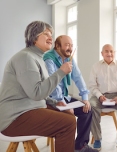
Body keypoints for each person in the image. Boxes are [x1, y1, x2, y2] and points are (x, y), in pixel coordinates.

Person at [0, 21, 76, 152]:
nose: (50, 37)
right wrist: (61, 72)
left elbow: (39, 91)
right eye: (46, 34)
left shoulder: (37, 57)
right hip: (14, 118)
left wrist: (55, 102)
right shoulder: (25, 57)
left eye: (51, 34)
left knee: (69, 117)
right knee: (68, 124)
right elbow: (36, 93)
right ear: (34, 37)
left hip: (29, 108)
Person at [43, 35, 97, 152]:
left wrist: (85, 98)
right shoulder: (49, 59)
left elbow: (78, 77)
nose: (70, 48)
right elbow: (53, 84)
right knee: (68, 116)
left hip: (64, 97)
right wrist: (62, 102)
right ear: (57, 46)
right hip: (51, 99)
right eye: (67, 45)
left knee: (87, 110)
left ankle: (80, 146)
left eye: (71, 45)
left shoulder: (69, 59)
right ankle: (66, 148)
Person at [88, 44, 117, 151]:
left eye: (111, 51)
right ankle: (97, 138)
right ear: (102, 53)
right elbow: (92, 85)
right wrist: (99, 96)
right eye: (106, 51)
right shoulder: (96, 66)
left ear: (114, 53)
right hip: (99, 95)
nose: (109, 53)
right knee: (91, 106)